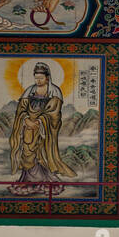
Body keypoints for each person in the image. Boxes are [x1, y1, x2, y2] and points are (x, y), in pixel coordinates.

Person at [9, 61, 75, 194]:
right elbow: (21, 110)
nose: (38, 81)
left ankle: (44, 181)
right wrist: (26, 119)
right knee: (27, 153)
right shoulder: (30, 90)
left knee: (42, 154)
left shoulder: (54, 92)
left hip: (44, 130)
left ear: (47, 77)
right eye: (36, 78)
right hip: (28, 128)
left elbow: (54, 113)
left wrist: (40, 121)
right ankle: (28, 180)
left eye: (41, 78)